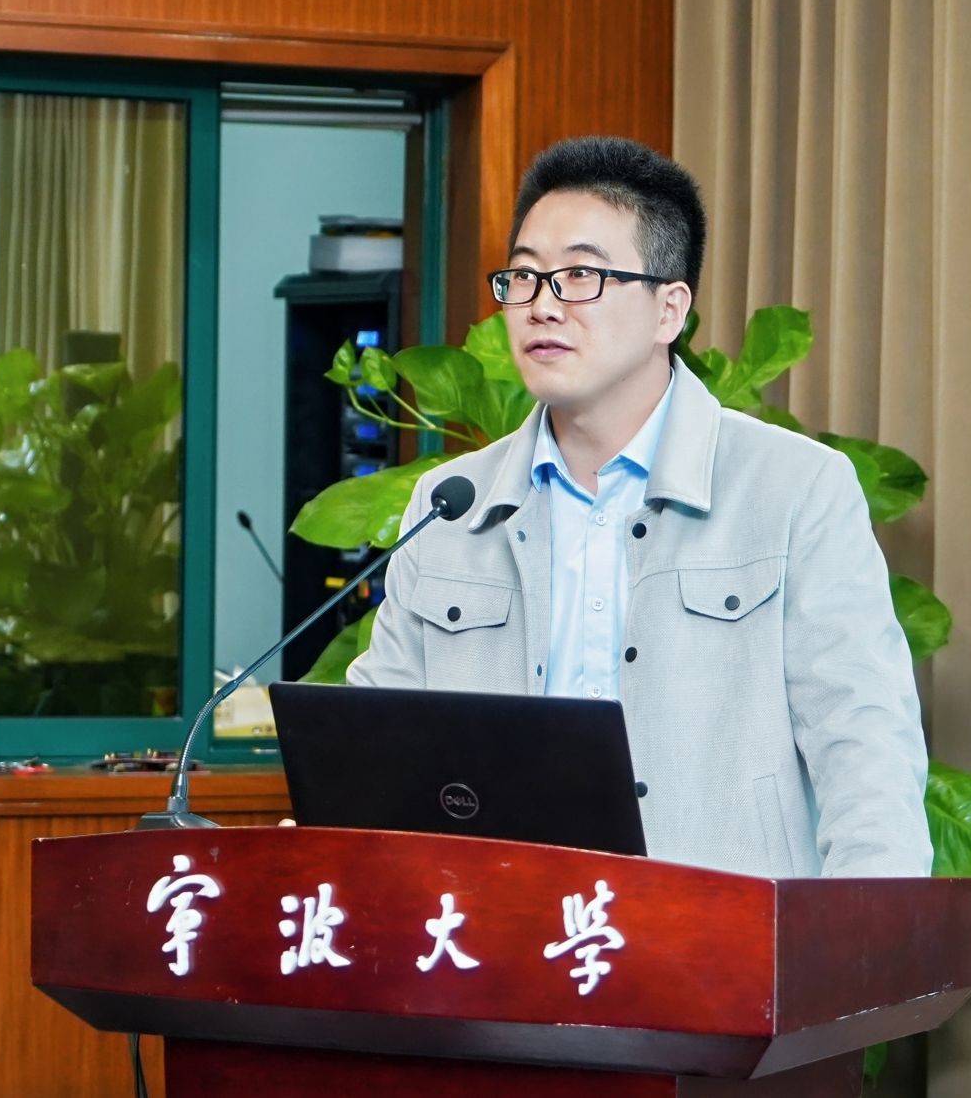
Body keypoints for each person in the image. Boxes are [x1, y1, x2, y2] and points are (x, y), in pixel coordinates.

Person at [347, 135, 932, 878]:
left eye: (580, 276)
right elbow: (379, 742)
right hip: (502, 927)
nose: (542, 307)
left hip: (719, 929)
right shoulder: (452, 504)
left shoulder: (795, 489)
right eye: (523, 277)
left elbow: (865, 747)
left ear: (669, 310)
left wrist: (869, 934)